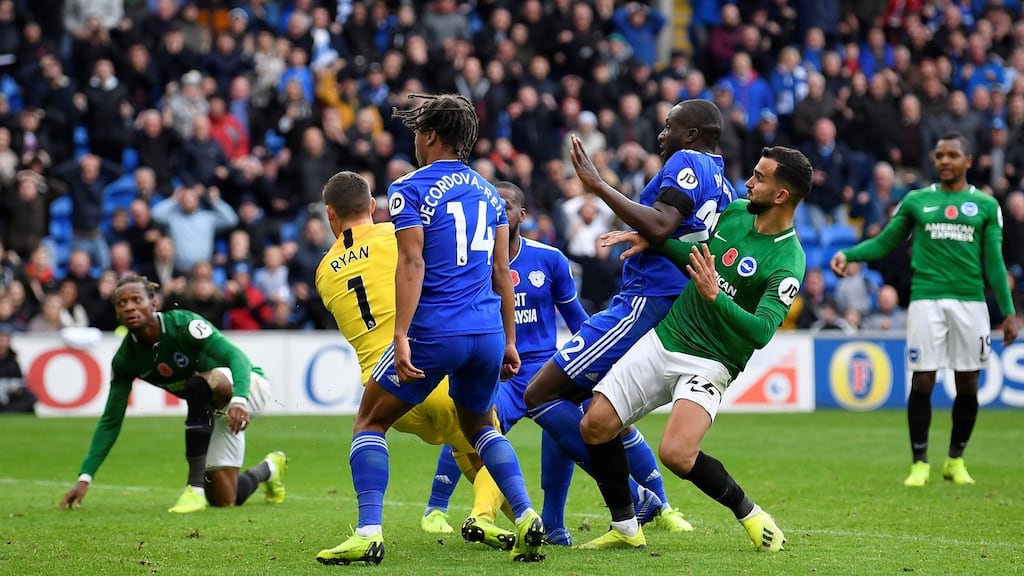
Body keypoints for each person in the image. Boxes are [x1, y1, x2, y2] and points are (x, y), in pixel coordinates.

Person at [315, 94, 545, 565]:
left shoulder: (409, 188)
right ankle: (524, 515)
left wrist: (401, 336)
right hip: (486, 332)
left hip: (436, 331)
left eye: (418, 131)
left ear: (431, 136)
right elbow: (503, 272)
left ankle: (368, 532)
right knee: (480, 425)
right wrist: (510, 341)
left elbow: (412, 262)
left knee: (369, 422)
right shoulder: (488, 191)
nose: (415, 139)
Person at [523, 99, 734, 547]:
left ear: (691, 134)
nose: (661, 135)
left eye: (669, 126)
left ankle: (636, 499)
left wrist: (598, 185)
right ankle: (623, 520)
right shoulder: (725, 183)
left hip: (645, 302)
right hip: (669, 302)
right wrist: (652, 236)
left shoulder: (687, 162)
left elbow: (662, 224)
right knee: (594, 410)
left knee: (540, 394)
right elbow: (678, 234)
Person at [586, 145, 812, 551]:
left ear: (781, 195)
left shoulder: (789, 260)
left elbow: (762, 332)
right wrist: (652, 241)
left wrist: (715, 297)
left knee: (676, 453)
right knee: (596, 424)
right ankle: (624, 528)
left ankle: (751, 513)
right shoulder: (738, 213)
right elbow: (695, 256)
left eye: (760, 178)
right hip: (669, 337)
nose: (748, 182)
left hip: (713, 362)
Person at [830, 132, 1019, 487]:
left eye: (952, 155)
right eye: (939, 155)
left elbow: (994, 261)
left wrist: (1008, 311)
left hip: (970, 301)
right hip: (926, 298)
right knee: (923, 377)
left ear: (968, 161)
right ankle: (920, 462)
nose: (944, 161)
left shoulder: (987, 206)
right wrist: (849, 254)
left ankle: (955, 459)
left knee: (968, 382)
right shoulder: (916, 200)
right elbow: (886, 241)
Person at [417, 181, 589, 546]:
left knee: (573, 432)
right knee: (472, 427)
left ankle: (560, 523)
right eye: (494, 204)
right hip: (500, 370)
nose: (501, 210)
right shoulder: (471, 263)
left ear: (522, 215)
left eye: (508, 205)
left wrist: (595, 361)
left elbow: (576, 318)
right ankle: (438, 508)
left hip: (545, 369)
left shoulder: (549, 259)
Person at [59, 274, 287, 513]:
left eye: (136, 299)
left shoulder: (184, 325)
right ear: (116, 313)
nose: (129, 307)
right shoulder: (126, 359)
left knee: (197, 385)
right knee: (224, 498)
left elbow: (236, 357)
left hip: (247, 388)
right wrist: (85, 478)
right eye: (122, 304)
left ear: (154, 303)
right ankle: (270, 468)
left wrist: (240, 399)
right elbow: (110, 421)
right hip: (215, 410)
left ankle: (194, 488)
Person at [0, 325, 36, 414]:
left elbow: (20, 380)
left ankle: (7, 411)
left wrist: (16, 389)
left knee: (30, 397)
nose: (2, 345)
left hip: (10, 393)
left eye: (5, 341)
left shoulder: (12, 360)